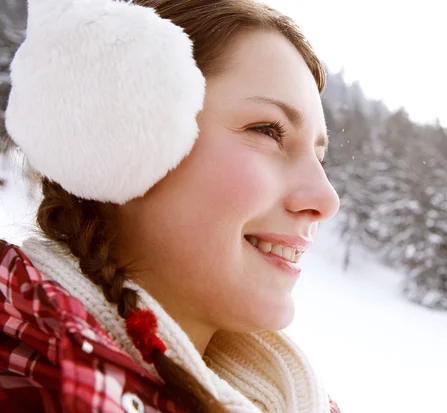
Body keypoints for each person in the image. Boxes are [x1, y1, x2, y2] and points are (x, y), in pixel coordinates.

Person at [0, 0, 342, 412]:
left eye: (320, 160)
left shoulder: (292, 397)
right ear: (122, 134)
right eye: (268, 130)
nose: (326, 199)